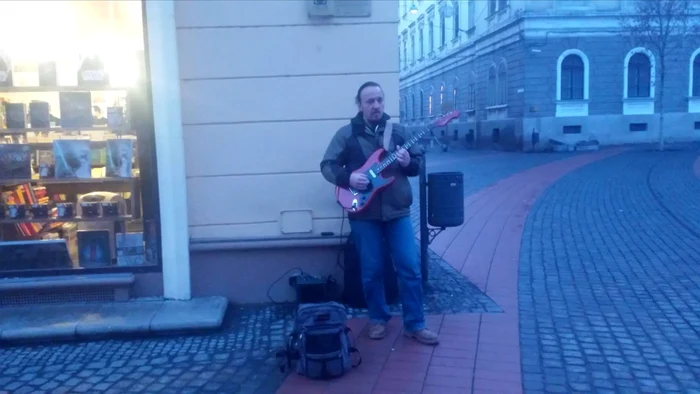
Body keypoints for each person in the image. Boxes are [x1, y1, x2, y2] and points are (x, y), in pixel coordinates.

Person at [320, 81, 439, 345]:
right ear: (359, 105)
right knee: (372, 269)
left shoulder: (398, 132)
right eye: (369, 101)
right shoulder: (346, 134)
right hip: (363, 213)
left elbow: (416, 164)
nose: (375, 105)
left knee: (409, 267)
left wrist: (409, 162)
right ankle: (378, 319)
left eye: (379, 100)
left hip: (398, 211)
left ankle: (415, 324)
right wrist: (349, 178)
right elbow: (327, 165)